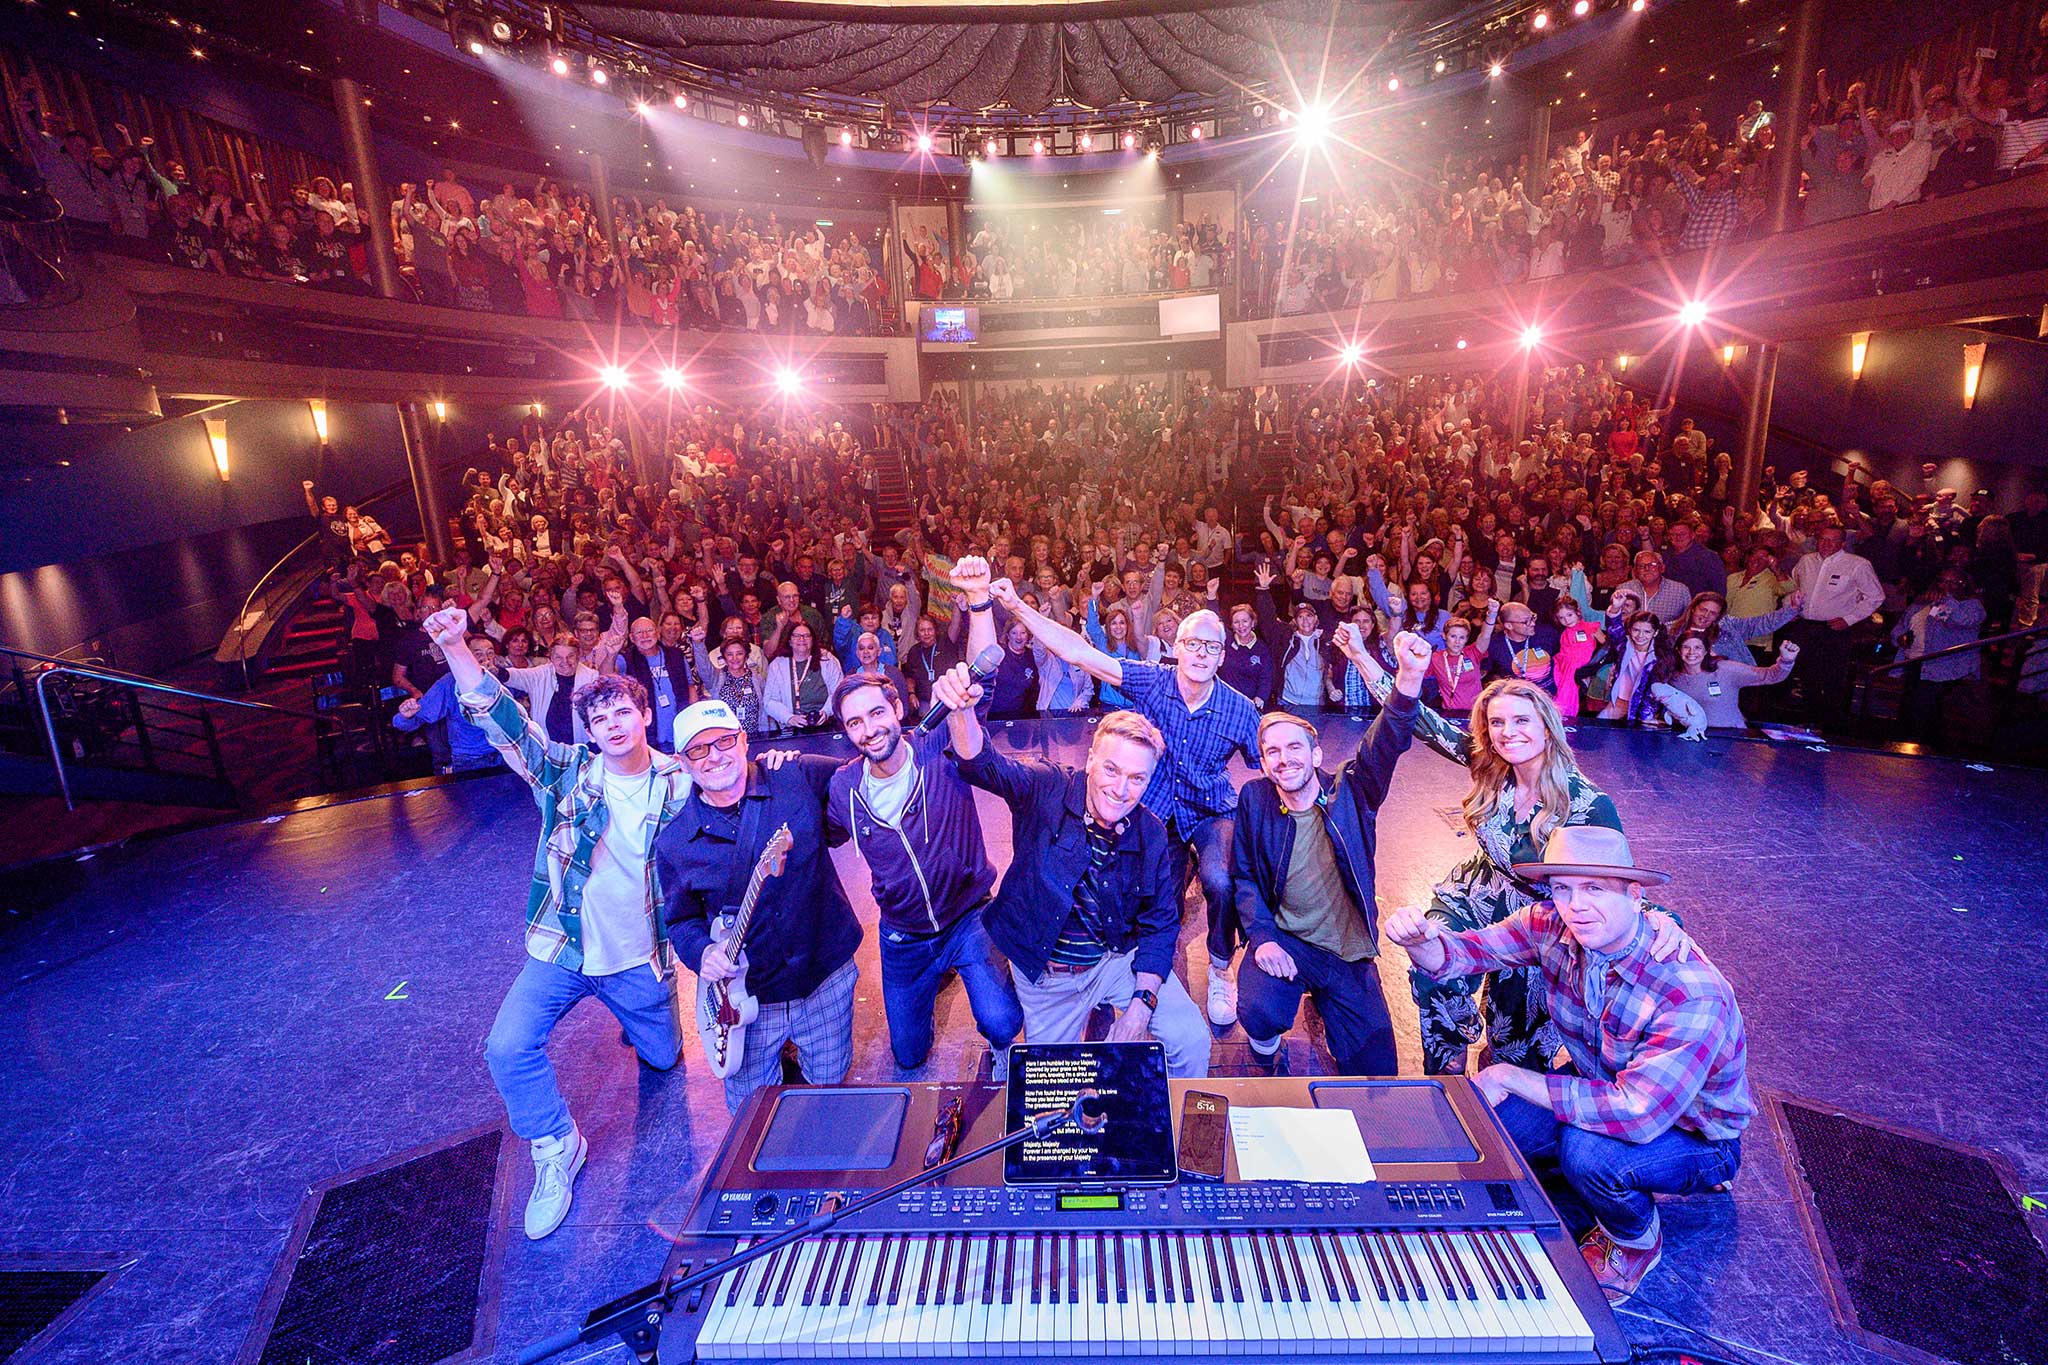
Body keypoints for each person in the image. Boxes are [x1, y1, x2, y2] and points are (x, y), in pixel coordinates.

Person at [1388, 825, 1752, 1303]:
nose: (1575, 905)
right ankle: (1589, 1186)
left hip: (1695, 1131)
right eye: (1563, 888)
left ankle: (1635, 1241)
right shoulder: (1553, 926)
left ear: (1634, 895)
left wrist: (1509, 1075)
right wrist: (1418, 941)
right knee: (1493, 1131)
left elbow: (1636, 1114)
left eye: (1594, 888)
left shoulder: (1690, 989)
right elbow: (1466, 953)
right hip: (1603, 1085)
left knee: (1588, 1154)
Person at [424, 606, 693, 1241]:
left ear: (645, 715)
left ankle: (652, 1022)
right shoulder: (567, 771)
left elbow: (734, 791)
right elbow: (505, 723)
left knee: (663, 1060)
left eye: (622, 712)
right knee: (506, 1048)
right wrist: (459, 646)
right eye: (599, 719)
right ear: (590, 731)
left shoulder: (677, 783)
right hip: (563, 951)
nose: (612, 724)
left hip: (639, 961)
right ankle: (555, 1144)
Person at [1373, 674, 1686, 1075]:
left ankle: (1501, 1089)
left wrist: (1662, 922)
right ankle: (1447, 1078)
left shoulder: (1588, 804)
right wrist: (1371, 662)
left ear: (1546, 726)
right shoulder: (1494, 766)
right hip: (1477, 892)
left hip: (1541, 921)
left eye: (1521, 721)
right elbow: (1425, 722)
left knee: (1514, 1046)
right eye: (1497, 723)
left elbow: (1614, 882)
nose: (1507, 732)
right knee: (1433, 968)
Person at [991, 573, 1262, 1029]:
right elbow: (1079, 651)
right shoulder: (1153, 681)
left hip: (1209, 808)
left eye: (1211, 647)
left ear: (1223, 655)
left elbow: (1270, 759)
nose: (1200, 654)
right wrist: (1017, 606)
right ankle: (1109, 971)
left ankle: (1219, 967)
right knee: (1160, 904)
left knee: (1219, 879)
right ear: (1176, 645)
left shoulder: (1239, 709)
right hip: (1156, 807)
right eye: (1193, 644)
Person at [939, 663, 1212, 1078]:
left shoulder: (1151, 833)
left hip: (1114, 960)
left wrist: (1141, 1007)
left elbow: (1160, 924)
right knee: (1052, 1087)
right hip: (1049, 977)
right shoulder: (1046, 787)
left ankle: (1171, 1132)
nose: (1121, 790)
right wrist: (960, 711)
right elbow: (983, 765)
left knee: (1190, 1039)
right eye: (1111, 770)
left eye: (1137, 778)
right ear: (1090, 759)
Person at [823, 555, 1022, 1074]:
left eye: (877, 713)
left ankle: (976, 985)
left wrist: (979, 602)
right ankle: (936, 979)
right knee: (908, 1057)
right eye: (855, 723)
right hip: (903, 936)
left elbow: (978, 680)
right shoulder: (844, 788)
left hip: (968, 917)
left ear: (898, 709)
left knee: (1003, 1023)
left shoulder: (941, 747)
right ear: (845, 732)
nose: (869, 729)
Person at [1232, 627, 1433, 1075]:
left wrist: (1409, 680)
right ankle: (1266, 1054)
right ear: (1263, 764)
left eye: (1293, 748)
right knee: (1261, 1011)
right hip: (1288, 940)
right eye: (1272, 753)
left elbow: (1386, 742)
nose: (1284, 760)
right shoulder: (1256, 799)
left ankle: (1327, 1008)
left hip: (1347, 953)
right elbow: (1243, 876)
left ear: (1317, 754)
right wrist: (1261, 936)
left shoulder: (1351, 792)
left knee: (1379, 1072)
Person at [655, 699, 863, 1113]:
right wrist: (704, 953)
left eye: (725, 741)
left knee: (829, 1086)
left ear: (744, 739)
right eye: (699, 749)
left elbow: (869, 765)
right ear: (682, 762)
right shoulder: (674, 842)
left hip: (823, 978)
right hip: (746, 995)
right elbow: (681, 921)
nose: (715, 755)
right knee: (752, 1111)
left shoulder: (796, 775)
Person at [1782, 524, 1884, 722]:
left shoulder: (1857, 564)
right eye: (1822, 539)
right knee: (1806, 676)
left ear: (1843, 543)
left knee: (1832, 679)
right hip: (1806, 627)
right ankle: (1809, 722)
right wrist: (1790, 609)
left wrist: (1849, 619)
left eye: (1832, 540)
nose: (1826, 544)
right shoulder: (1806, 560)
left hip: (1834, 630)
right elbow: (1794, 587)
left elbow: (1875, 596)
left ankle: (1831, 726)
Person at [392, 632, 510, 772]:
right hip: (471, 759)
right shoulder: (450, 682)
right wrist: (405, 716)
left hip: (506, 754)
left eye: (490, 653)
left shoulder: (503, 678)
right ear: (466, 656)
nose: (485, 658)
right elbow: (413, 719)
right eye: (478, 653)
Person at [1659, 633, 1799, 734]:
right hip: (1693, 737)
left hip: (1731, 736)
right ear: (1678, 650)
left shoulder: (1726, 669)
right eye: (1686, 647)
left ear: (1706, 651)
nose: (1691, 652)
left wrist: (1786, 661)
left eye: (1697, 648)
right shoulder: (1673, 678)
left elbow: (1770, 675)